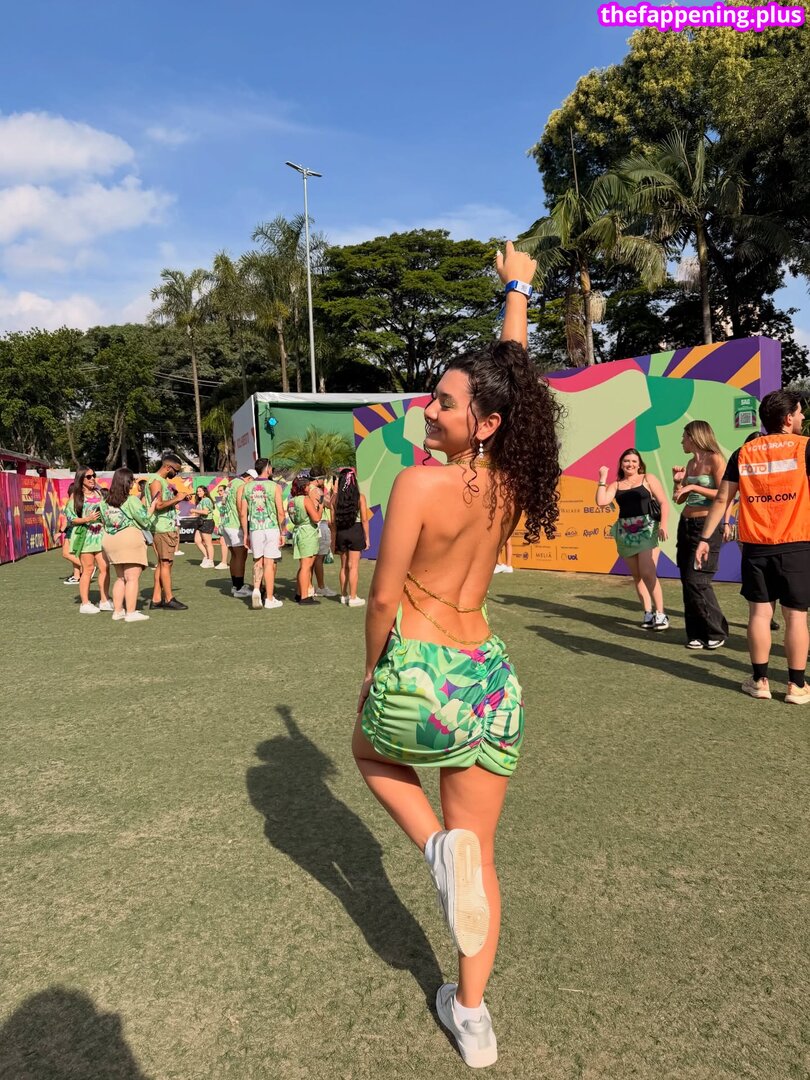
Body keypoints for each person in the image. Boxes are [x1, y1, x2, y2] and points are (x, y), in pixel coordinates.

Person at [352, 242, 561, 1068]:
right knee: (485, 856)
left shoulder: (418, 483)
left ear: (485, 421)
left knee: (369, 751)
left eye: (443, 402)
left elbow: (381, 597)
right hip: (491, 682)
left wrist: (374, 670)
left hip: (424, 671)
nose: (428, 410)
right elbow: (514, 379)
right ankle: (472, 1017)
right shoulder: (511, 480)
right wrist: (517, 291)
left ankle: (436, 849)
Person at [696, 390, 809, 704]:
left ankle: (760, 681)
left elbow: (723, 499)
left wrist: (705, 539)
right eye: (800, 412)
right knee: (796, 617)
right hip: (797, 544)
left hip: (756, 547)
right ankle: (797, 686)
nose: (802, 417)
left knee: (759, 614)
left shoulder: (744, 452)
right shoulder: (805, 447)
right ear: (788, 418)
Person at [596, 450, 669, 630]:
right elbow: (601, 501)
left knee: (647, 572)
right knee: (637, 576)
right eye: (626, 461)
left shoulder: (648, 478)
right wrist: (602, 478)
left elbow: (663, 502)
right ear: (621, 464)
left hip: (647, 529)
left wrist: (664, 525)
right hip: (625, 532)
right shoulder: (616, 485)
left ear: (639, 464)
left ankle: (661, 614)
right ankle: (648, 613)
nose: (630, 464)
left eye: (634, 461)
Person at [672, 420, 729, 649]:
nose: (681, 441)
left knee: (698, 579)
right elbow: (679, 498)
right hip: (686, 523)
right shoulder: (690, 463)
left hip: (706, 525)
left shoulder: (715, 459)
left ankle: (716, 631)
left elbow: (724, 493)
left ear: (694, 437)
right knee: (687, 580)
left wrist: (693, 486)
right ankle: (695, 634)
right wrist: (678, 483)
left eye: (684, 437)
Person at [100, 467, 157, 622]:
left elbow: (104, 521)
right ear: (128, 482)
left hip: (110, 539)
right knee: (132, 578)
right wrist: (152, 507)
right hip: (129, 538)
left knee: (120, 578)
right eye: (132, 480)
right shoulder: (131, 500)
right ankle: (131, 612)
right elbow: (144, 520)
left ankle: (118, 611)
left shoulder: (104, 502)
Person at [239, 459, 285, 610]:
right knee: (269, 563)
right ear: (267, 469)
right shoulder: (275, 486)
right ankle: (269, 598)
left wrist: (245, 534)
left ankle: (257, 589)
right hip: (271, 528)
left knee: (258, 562)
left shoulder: (246, 487)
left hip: (255, 528)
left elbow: (243, 513)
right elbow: (280, 512)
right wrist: (283, 532)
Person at [65, 467, 112, 615]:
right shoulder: (75, 497)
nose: (92, 479)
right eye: (89, 477)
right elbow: (71, 518)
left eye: (94, 475)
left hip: (101, 536)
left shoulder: (99, 493)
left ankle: (104, 600)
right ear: (81, 479)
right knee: (88, 569)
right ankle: (85, 603)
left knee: (105, 567)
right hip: (85, 537)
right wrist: (87, 519)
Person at [149, 453, 188, 611]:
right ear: (167, 467)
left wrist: (179, 497)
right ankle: (169, 598)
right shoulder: (156, 481)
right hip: (162, 528)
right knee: (165, 563)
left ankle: (156, 598)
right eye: (175, 470)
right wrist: (177, 499)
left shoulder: (162, 482)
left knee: (162, 563)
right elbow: (157, 505)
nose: (176, 474)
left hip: (166, 526)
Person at [331, 466, 370, 607]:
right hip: (355, 531)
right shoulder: (360, 497)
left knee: (343, 566)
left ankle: (343, 595)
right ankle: (353, 597)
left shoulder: (334, 499)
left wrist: (333, 541)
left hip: (341, 532)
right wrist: (367, 538)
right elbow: (364, 520)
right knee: (353, 566)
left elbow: (333, 523)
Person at [288, 472, 323, 605]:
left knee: (303, 566)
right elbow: (316, 518)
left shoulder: (291, 501)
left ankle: (299, 592)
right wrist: (320, 508)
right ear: (304, 487)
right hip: (307, 533)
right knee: (306, 566)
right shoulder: (305, 500)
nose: (309, 487)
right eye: (308, 485)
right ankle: (304, 596)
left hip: (298, 531)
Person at [222, 470, 255, 597]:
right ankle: (239, 588)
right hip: (235, 525)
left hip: (226, 522)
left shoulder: (231, 483)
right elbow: (241, 508)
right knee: (241, 556)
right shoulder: (241, 485)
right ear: (249, 478)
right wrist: (245, 527)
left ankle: (235, 586)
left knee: (235, 556)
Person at [311, 472, 337, 598]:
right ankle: (321, 587)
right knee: (318, 558)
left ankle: (308, 587)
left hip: (310, 526)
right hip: (320, 524)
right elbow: (329, 504)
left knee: (310, 559)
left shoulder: (305, 489)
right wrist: (334, 492)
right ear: (319, 478)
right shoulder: (317, 491)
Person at [58, 482, 82, 584]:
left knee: (66, 553)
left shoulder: (71, 501)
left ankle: (86, 567)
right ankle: (77, 576)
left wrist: (60, 531)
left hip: (72, 529)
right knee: (73, 554)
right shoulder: (79, 501)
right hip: (76, 528)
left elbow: (66, 519)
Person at [190, 485, 216, 568]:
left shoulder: (206, 500)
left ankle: (211, 561)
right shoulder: (201, 500)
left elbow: (205, 512)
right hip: (201, 522)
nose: (198, 493)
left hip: (207, 522)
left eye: (200, 491)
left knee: (208, 543)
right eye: (197, 491)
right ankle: (206, 557)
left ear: (205, 492)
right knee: (197, 540)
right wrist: (194, 515)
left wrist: (194, 510)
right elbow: (200, 512)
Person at [212, 486, 229, 569]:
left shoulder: (230, 501)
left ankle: (225, 562)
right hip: (222, 524)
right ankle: (224, 562)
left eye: (221, 490)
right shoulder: (219, 503)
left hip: (230, 524)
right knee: (223, 542)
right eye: (218, 491)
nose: (219, 492)